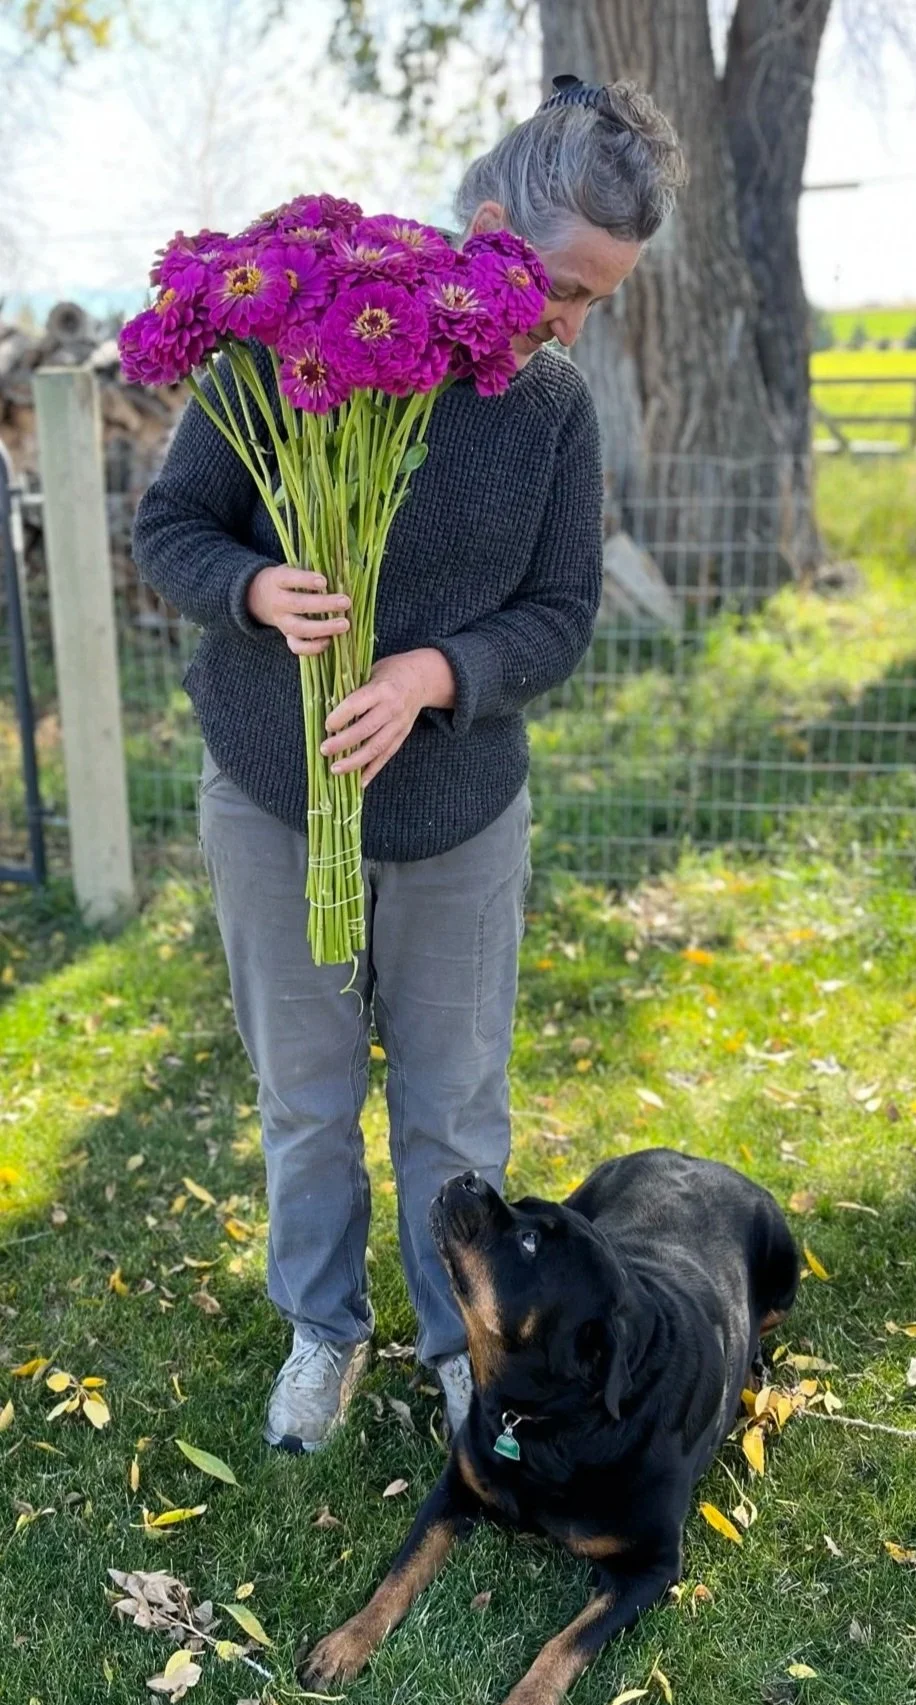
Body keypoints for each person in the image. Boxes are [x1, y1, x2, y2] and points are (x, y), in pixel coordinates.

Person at [132, 75, 685, 1453]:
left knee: (455, 1112)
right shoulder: (287, 355)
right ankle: (324, 1330)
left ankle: (460, 1345)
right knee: (307, 1102)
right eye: (562, 285)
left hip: (460, 812)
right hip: (274, 788)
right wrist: (256, 587)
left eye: (596, 304)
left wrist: (434, 673)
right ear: (488, 223)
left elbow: (561, 613)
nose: (567, 323)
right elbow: (170, 528)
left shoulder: (552, 407)